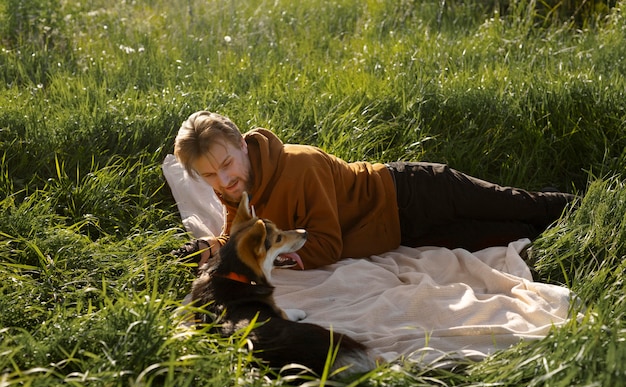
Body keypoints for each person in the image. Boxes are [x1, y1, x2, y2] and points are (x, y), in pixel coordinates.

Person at [172, 110, 576, 270]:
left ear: (243, 144)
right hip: (401, 232)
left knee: (522, 205)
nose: (223, 182)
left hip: (413, 190)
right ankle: (568, 228)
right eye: (209, 177)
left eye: (226, 165)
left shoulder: (298, 166)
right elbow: (235, 229)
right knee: (509, 234)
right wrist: (211, 247)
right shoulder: (234, 186)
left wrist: (268, 257)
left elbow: (326, 244)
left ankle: (588, 203)